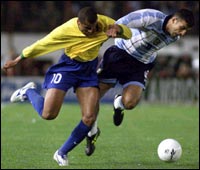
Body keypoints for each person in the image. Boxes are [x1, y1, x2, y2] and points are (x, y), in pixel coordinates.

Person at [2, 6, 132, 166]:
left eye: (93, 28)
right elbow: (43, 44)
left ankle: (62, 152)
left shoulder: (105, 23)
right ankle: (28, 91)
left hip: (88, 70)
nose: (91, 31)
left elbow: (129, 33)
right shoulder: (66, 29)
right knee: (48, 114)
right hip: (67, 67)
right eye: (86, 28)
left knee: (90, 117)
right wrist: (18, 59)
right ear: (78, 23)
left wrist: (119, 29)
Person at [85, 8, 195, 155]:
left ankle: (119, 104)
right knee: (93, 97)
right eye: (182, 28)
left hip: (140, 65)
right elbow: (125, 21)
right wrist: (115, 29)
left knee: (130, 103)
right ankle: (92, 133)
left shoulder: (175, 36)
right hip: (119, 54)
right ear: (174, 20)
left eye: (186, 30)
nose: (183, 33)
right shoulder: (152, 17)